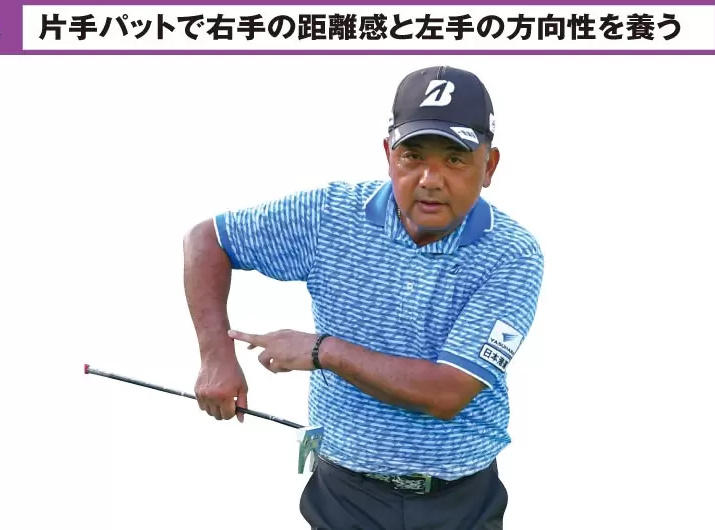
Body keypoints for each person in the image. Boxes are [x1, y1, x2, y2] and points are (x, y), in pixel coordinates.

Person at [182, 65, 545, 530]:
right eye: (412, 156)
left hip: (461, 504)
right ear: (389, 155)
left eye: (455, 159)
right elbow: (207, 241)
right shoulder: (330, 216)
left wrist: (322, 350)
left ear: (489, 166)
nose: (430, 179)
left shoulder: (511, 255)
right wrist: (215, 357)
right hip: (345, 496)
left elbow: (447, 392)